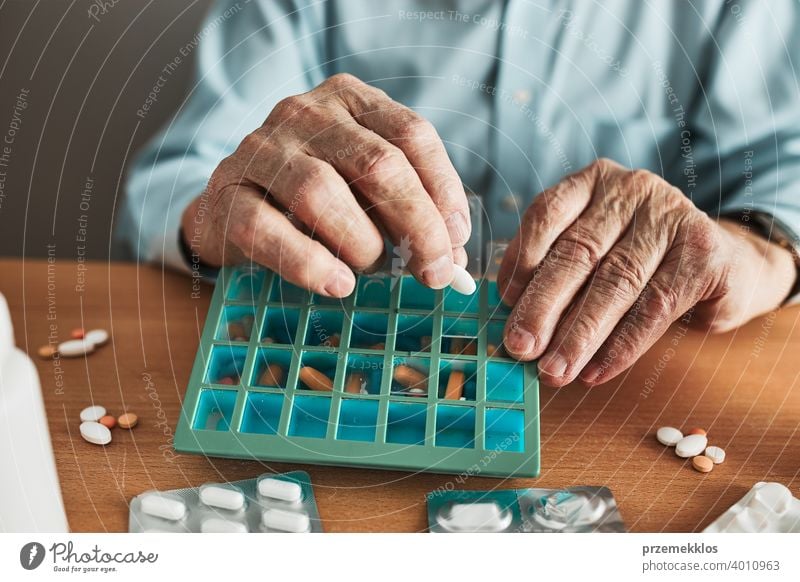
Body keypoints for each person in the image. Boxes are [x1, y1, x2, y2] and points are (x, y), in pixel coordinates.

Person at [119, 0, 800, 387]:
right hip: (351, 352)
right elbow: (173, 182)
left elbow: (785, 166)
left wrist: (754, 252)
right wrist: (222, 215)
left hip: (629, 392)